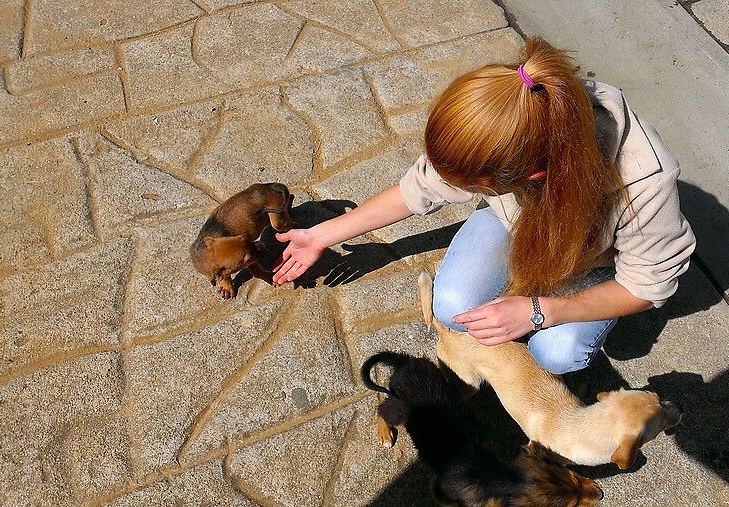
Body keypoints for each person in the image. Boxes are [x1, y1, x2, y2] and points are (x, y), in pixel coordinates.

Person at [272, 37, 695, 374]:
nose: (449, 186)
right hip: (518, 224)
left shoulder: (644, 179)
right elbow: (419, 188)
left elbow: (646, 286)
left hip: (594, 265)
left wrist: (541, 311)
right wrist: (320, 234)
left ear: (531, 177)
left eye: (476, 187)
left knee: (558, 354)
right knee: (453, 307)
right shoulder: (517, 115)